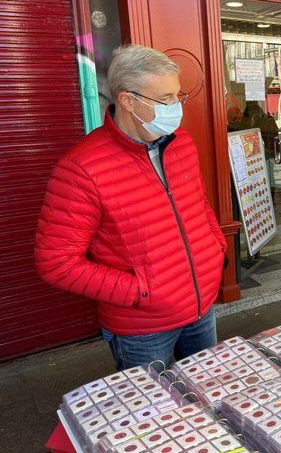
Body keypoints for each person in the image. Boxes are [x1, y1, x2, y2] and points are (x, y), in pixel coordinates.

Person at [34, 45, 227, 369]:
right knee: (155, 414)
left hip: (201, 308)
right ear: (127, 100)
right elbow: (56, 262)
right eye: (165, 99)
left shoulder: (182, 143)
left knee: (210, 399)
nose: (176, 107)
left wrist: (215, 249)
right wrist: (139, 292)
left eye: (178, 96)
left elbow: (199, 205)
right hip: (142, 329)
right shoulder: (83, 167)